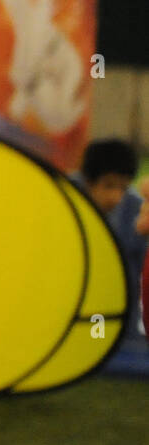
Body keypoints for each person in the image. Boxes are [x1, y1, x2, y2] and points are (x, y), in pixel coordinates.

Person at [73, 139, 147, 337]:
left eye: (123, 188)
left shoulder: (135, 212)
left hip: (114, 317)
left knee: (100, 339)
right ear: (87, 181)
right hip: (70, 312)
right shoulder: (65, 201)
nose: (116, 197)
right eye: (108, 185)